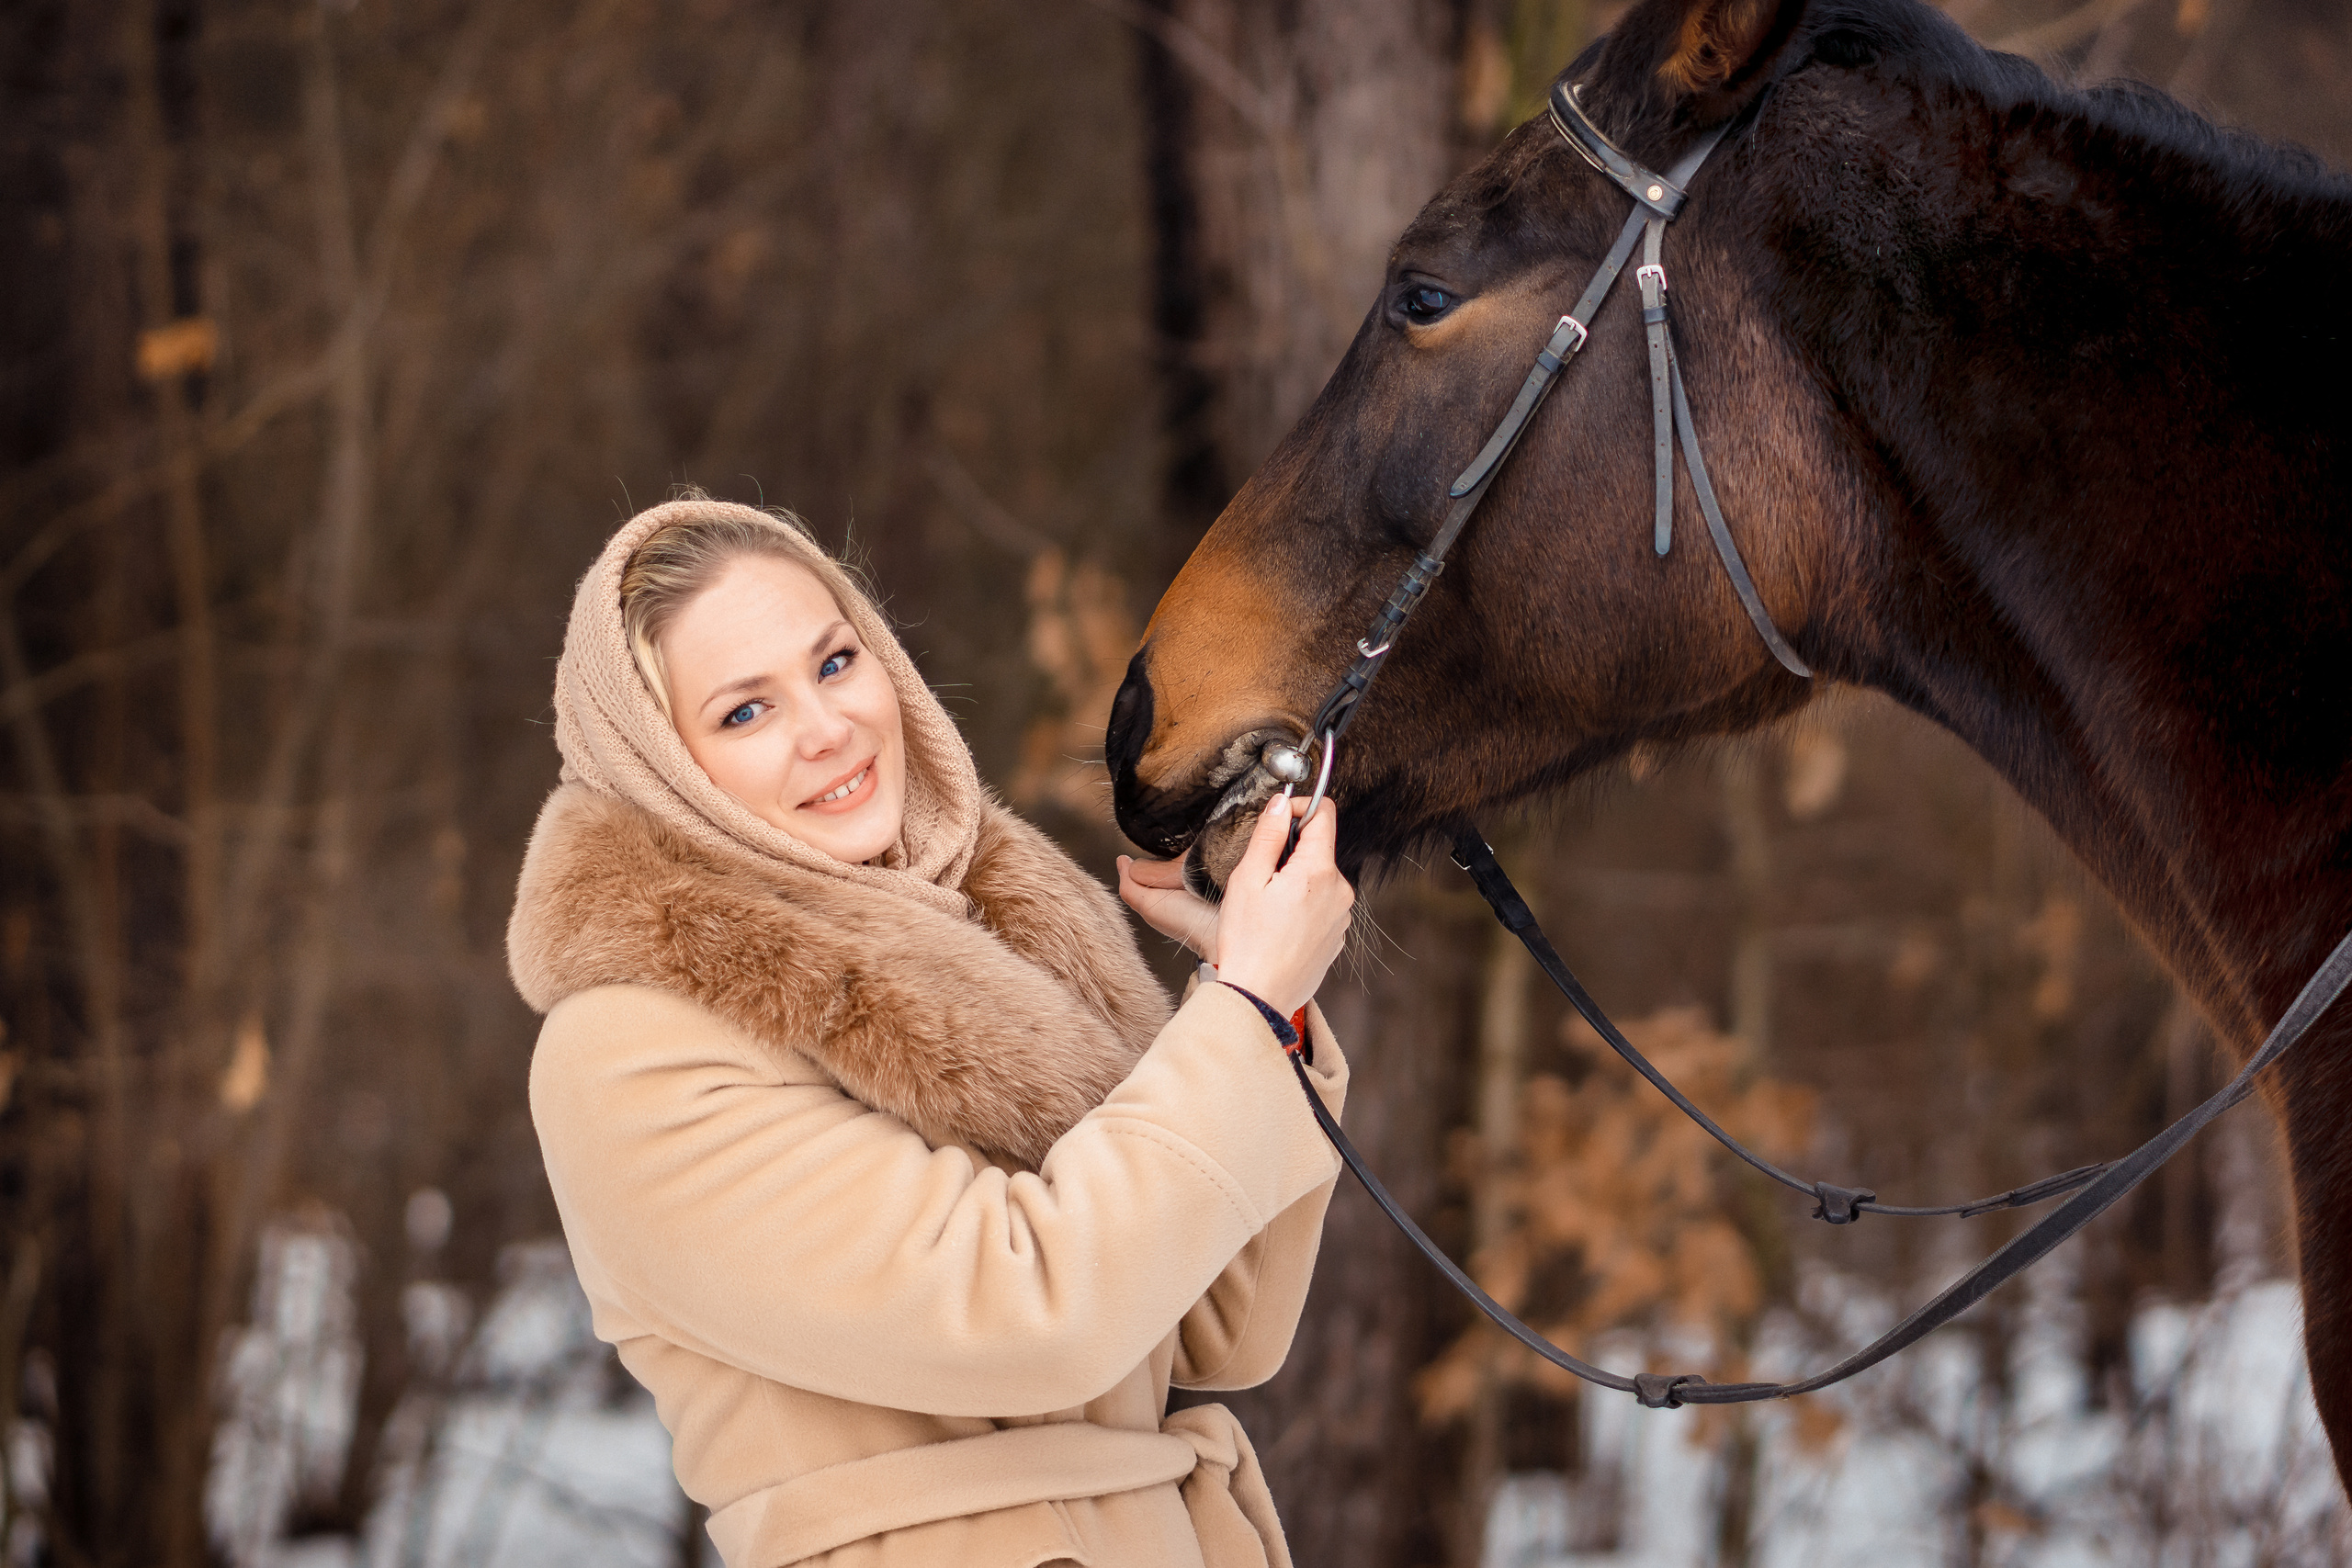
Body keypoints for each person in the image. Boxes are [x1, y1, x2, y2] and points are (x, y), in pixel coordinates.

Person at [507, 496, 1357, 1568]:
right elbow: (1033, 1312)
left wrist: (1256, 995)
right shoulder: (628, 1050)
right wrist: (1238, 1014)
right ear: (661, 769)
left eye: (832, 662)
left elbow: (1221, 1325)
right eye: (743, 713)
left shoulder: (996, 940)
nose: (827, 729)